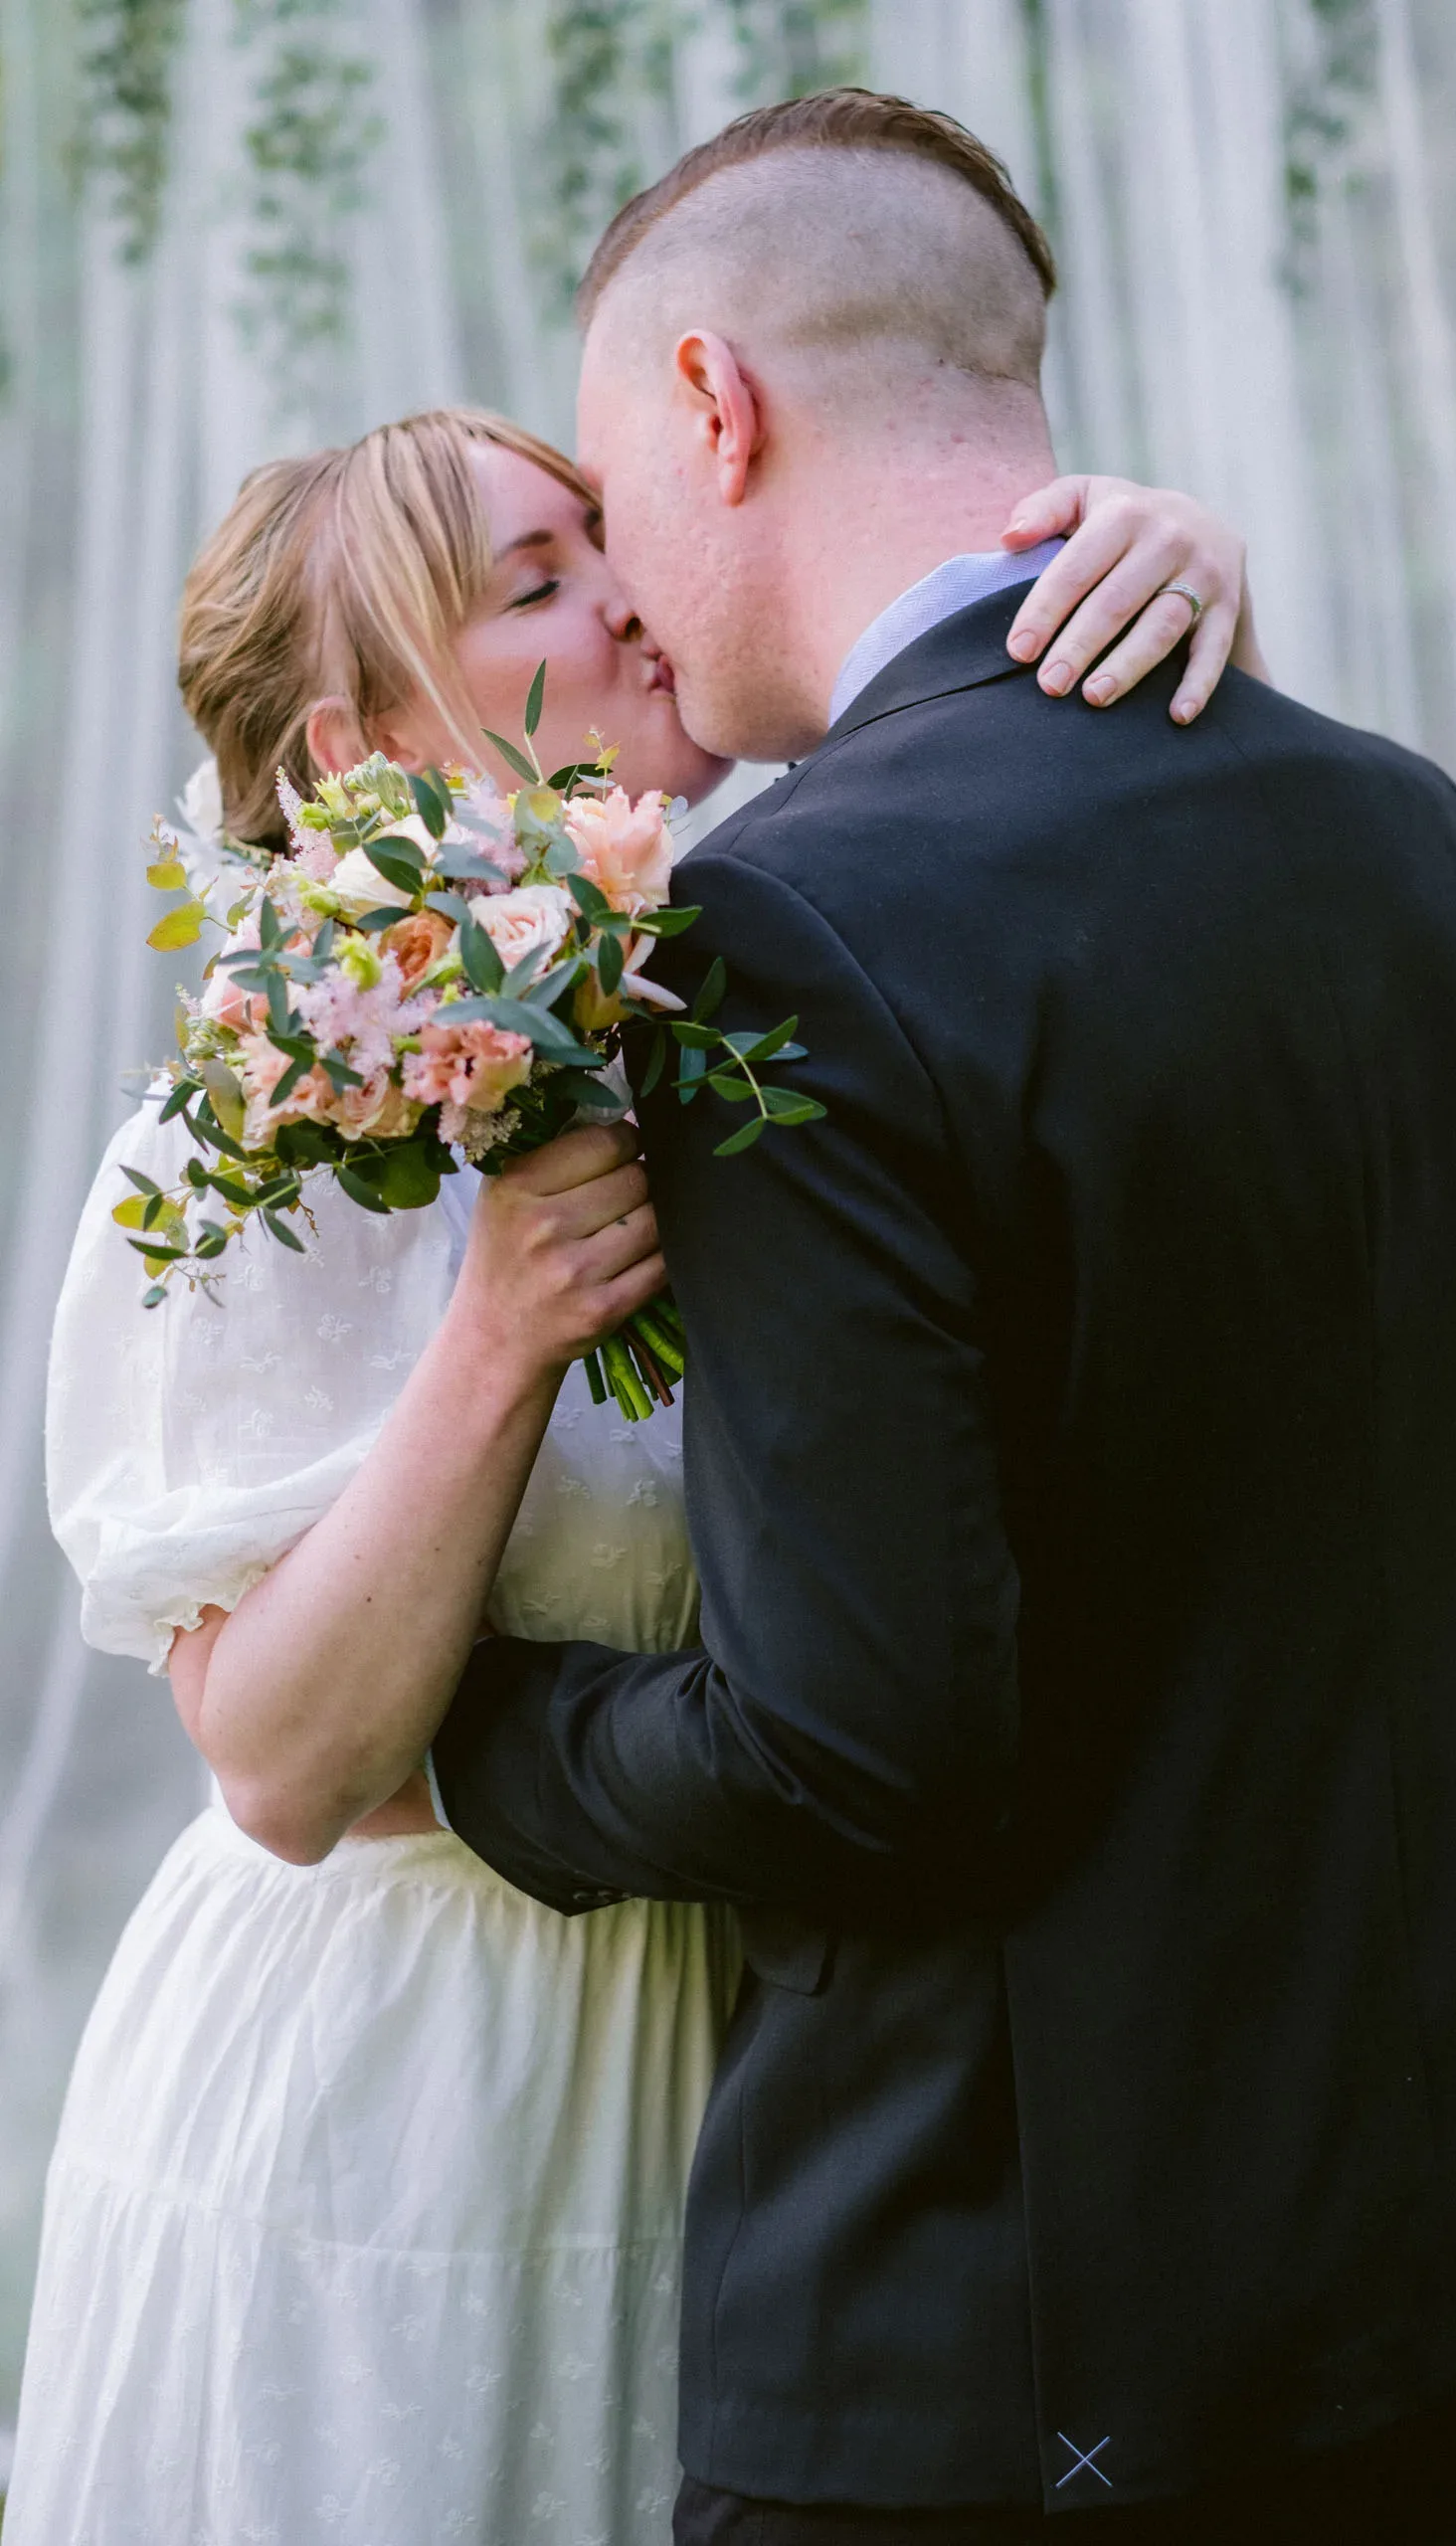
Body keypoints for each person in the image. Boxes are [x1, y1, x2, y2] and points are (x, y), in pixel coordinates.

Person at [269, 91, 1456, 2544]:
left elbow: (856, 1744)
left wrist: (468, 1750)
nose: (631, 603)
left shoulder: (778, 933)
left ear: (711, 404)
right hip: (1426, 2312)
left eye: (608, 497)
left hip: (988, 2364)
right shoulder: (1421, 838)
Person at [8, 396, 1256, 2544]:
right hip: (395, 2088)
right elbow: (289, 1769)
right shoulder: (241, 1165)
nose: (628, 591)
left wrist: (1138, 560)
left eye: (606, 537)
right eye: (533, 583)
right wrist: (495, 1334)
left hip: (767, 2048)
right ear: (344, 758)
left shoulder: (770, 1022)